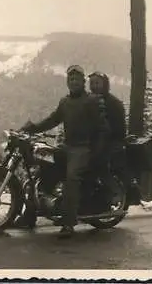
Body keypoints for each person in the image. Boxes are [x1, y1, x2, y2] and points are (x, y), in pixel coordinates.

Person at [18, 65, 109, 238]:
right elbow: (53, 120)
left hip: (83, 148)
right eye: (70, 79)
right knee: (44, 167)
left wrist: (97, 152)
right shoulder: (65, 102)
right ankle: (30, 215)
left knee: (72, 177)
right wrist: (33, 128)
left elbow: (102, 128)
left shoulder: (92, 101)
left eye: (77, 79)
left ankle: (69, 222)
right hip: (67, 146)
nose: (73, 82)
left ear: (83, 82)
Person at [87, 71, 143, 207]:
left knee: (99, 167)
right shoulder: (90, 100)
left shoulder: (113, 103)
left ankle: (115, 193)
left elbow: (118, 128)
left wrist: (105, 139)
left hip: (111, 143)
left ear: (104, 84)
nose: (94, 86)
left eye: (97, 83)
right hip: (95, 143)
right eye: (92, 83)